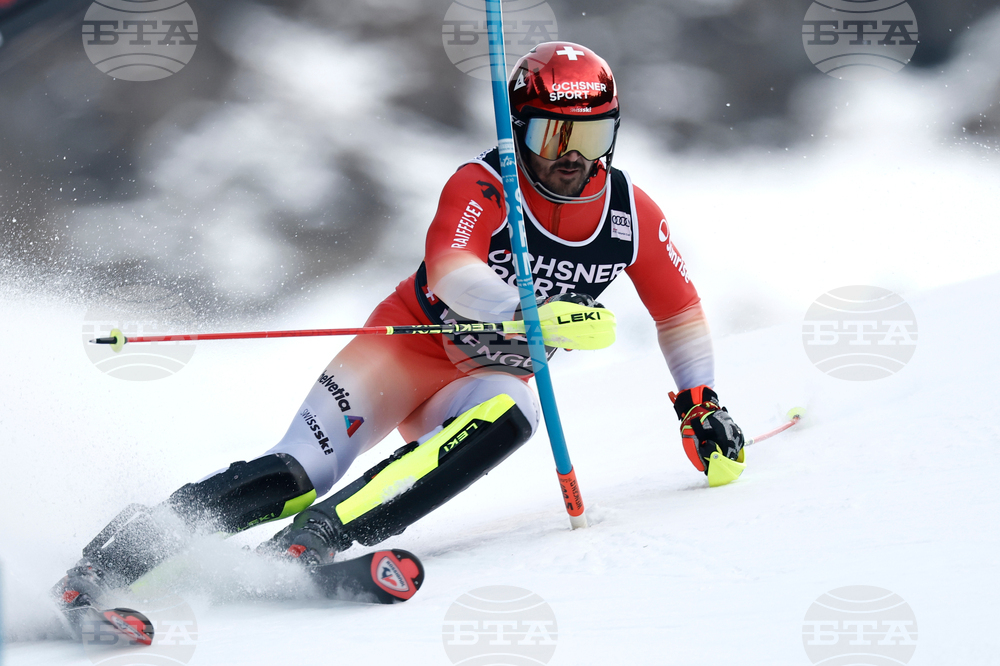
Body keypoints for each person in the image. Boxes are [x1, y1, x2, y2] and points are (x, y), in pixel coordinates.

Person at [54, 41, 745, 618]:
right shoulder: (484, 183)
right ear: (519, 129)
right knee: (298, 471)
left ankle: (315, 543)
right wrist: (520, 307)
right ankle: (111, 560)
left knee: (512, 410)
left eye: (591, 138)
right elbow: (451, 270)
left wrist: (699, 405)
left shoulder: (629, 214)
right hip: (405, 349)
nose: (572, 157)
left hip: (481, 381)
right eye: (551, 136)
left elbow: (678, 312)